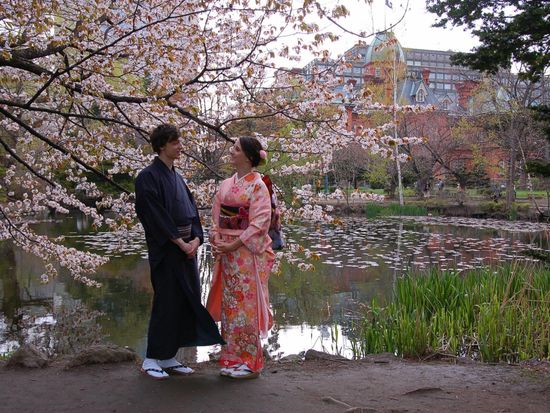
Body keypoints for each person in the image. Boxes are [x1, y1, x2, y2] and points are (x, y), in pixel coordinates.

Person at [135, 124, 224, 380]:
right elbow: (153, 215)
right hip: (167, 250)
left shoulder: (177, 177)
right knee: (166, 300)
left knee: (185, 300)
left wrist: (196, 238)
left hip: (187, 250)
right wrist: (178, 241)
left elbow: (192, 211)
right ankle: (151, 358)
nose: (180, 147)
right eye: (175, 142)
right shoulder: (147, 177)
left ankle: (168, 356)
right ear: (162, 145)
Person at [206, 137, 275, 380]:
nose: (231, 152)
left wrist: (233, 244)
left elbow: (260, 223)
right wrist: (217, 239)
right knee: (230, 307)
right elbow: (216, 217)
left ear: (248, 156)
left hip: (245, 254)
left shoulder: (258, 186)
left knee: (246, 306)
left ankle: (251, 362)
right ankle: (232, 358)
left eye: (236, 149)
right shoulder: (226, 184)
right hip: (227, 253)